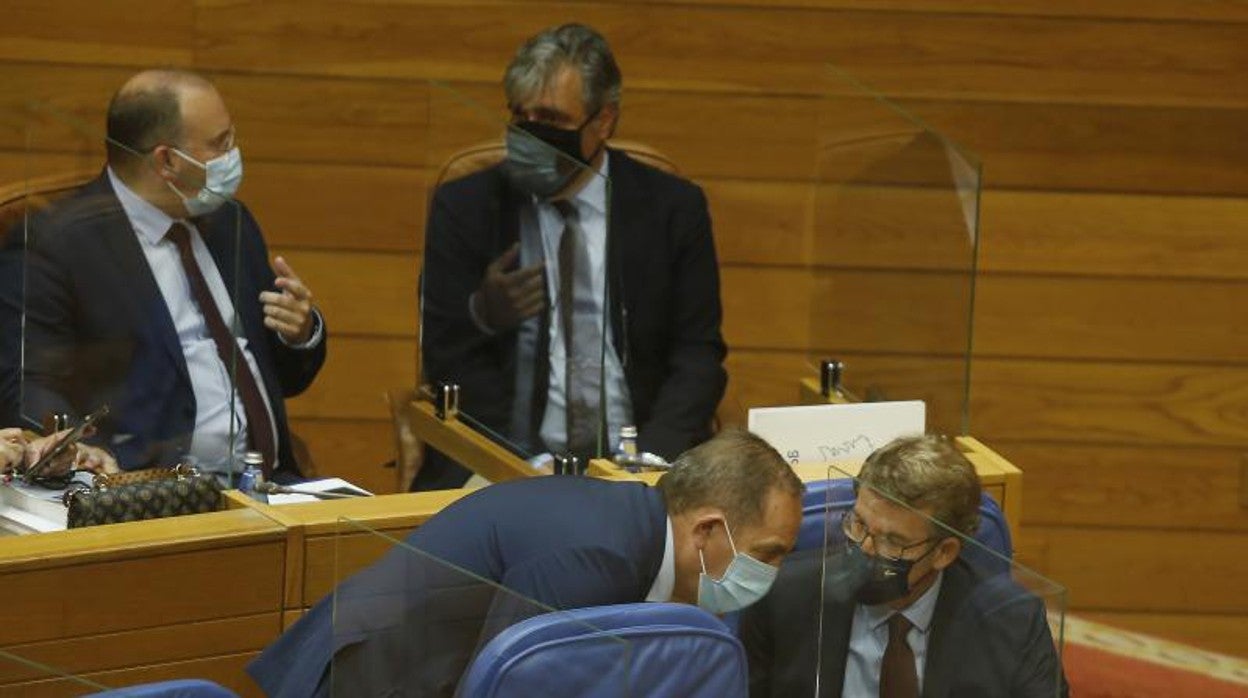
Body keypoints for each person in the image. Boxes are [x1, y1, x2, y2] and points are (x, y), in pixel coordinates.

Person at [248, 429, 804, 697]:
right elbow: (510, 688)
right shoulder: (596, 559)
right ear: (706, 529)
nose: (774, 573)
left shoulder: (638, 528)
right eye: (767, 555)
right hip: (360, 680)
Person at [418, 23, 727, 489]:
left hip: (639, 463)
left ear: (603, 122)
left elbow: (697, 357)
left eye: (552, 120)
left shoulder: (671, 209)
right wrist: (482, 314)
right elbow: (446, 354)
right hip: (503, 461)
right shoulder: (466, 208)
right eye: (520, 116)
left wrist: (649, 463)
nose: (530, 135)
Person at [4, 69, 326, 481]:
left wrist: (298, 334)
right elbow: (26, 384)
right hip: (146, 491)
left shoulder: (230, 222)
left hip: (273, 484)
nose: (234, 154)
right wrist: (70, 446)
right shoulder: (55, 244)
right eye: (219, 143)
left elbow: (283, 378)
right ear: (168, 160)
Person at [740, 435, 1068, 697]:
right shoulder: (784, 597)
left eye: (893, 541)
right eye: (858, 524)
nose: (866, 548)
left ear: (944, 552)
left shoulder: (1011, 622)